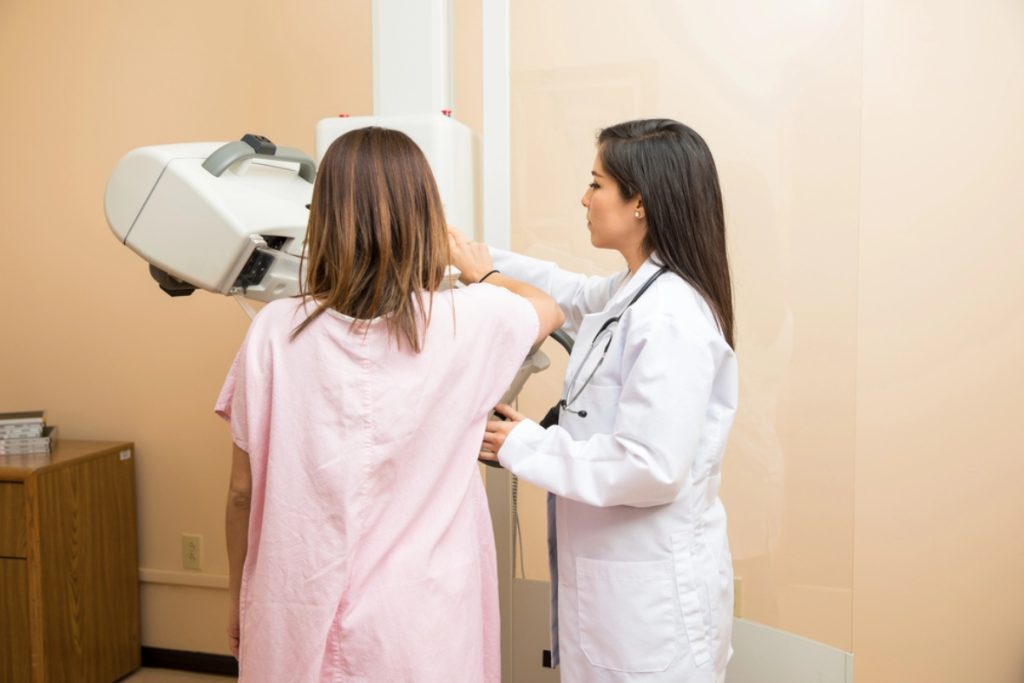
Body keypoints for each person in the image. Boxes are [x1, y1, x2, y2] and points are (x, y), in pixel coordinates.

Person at [215, 127, 564, 682]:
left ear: (323, 218)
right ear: (425, 215)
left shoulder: (274, 330)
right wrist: (479, 269)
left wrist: (239, 600)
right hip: (420, 625)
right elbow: (547, 306)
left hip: (297, 613)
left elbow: (242, 491)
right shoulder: (468, 317)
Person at [451, 118, 738, 682]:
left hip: (651, 611)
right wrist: (469, 259)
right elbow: (569, 292)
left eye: (597, 183)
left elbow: (650, 466)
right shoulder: (638, 289)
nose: (584, 198)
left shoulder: (671, 316)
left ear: (640, 204)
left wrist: (527, 444)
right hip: (617, 595)